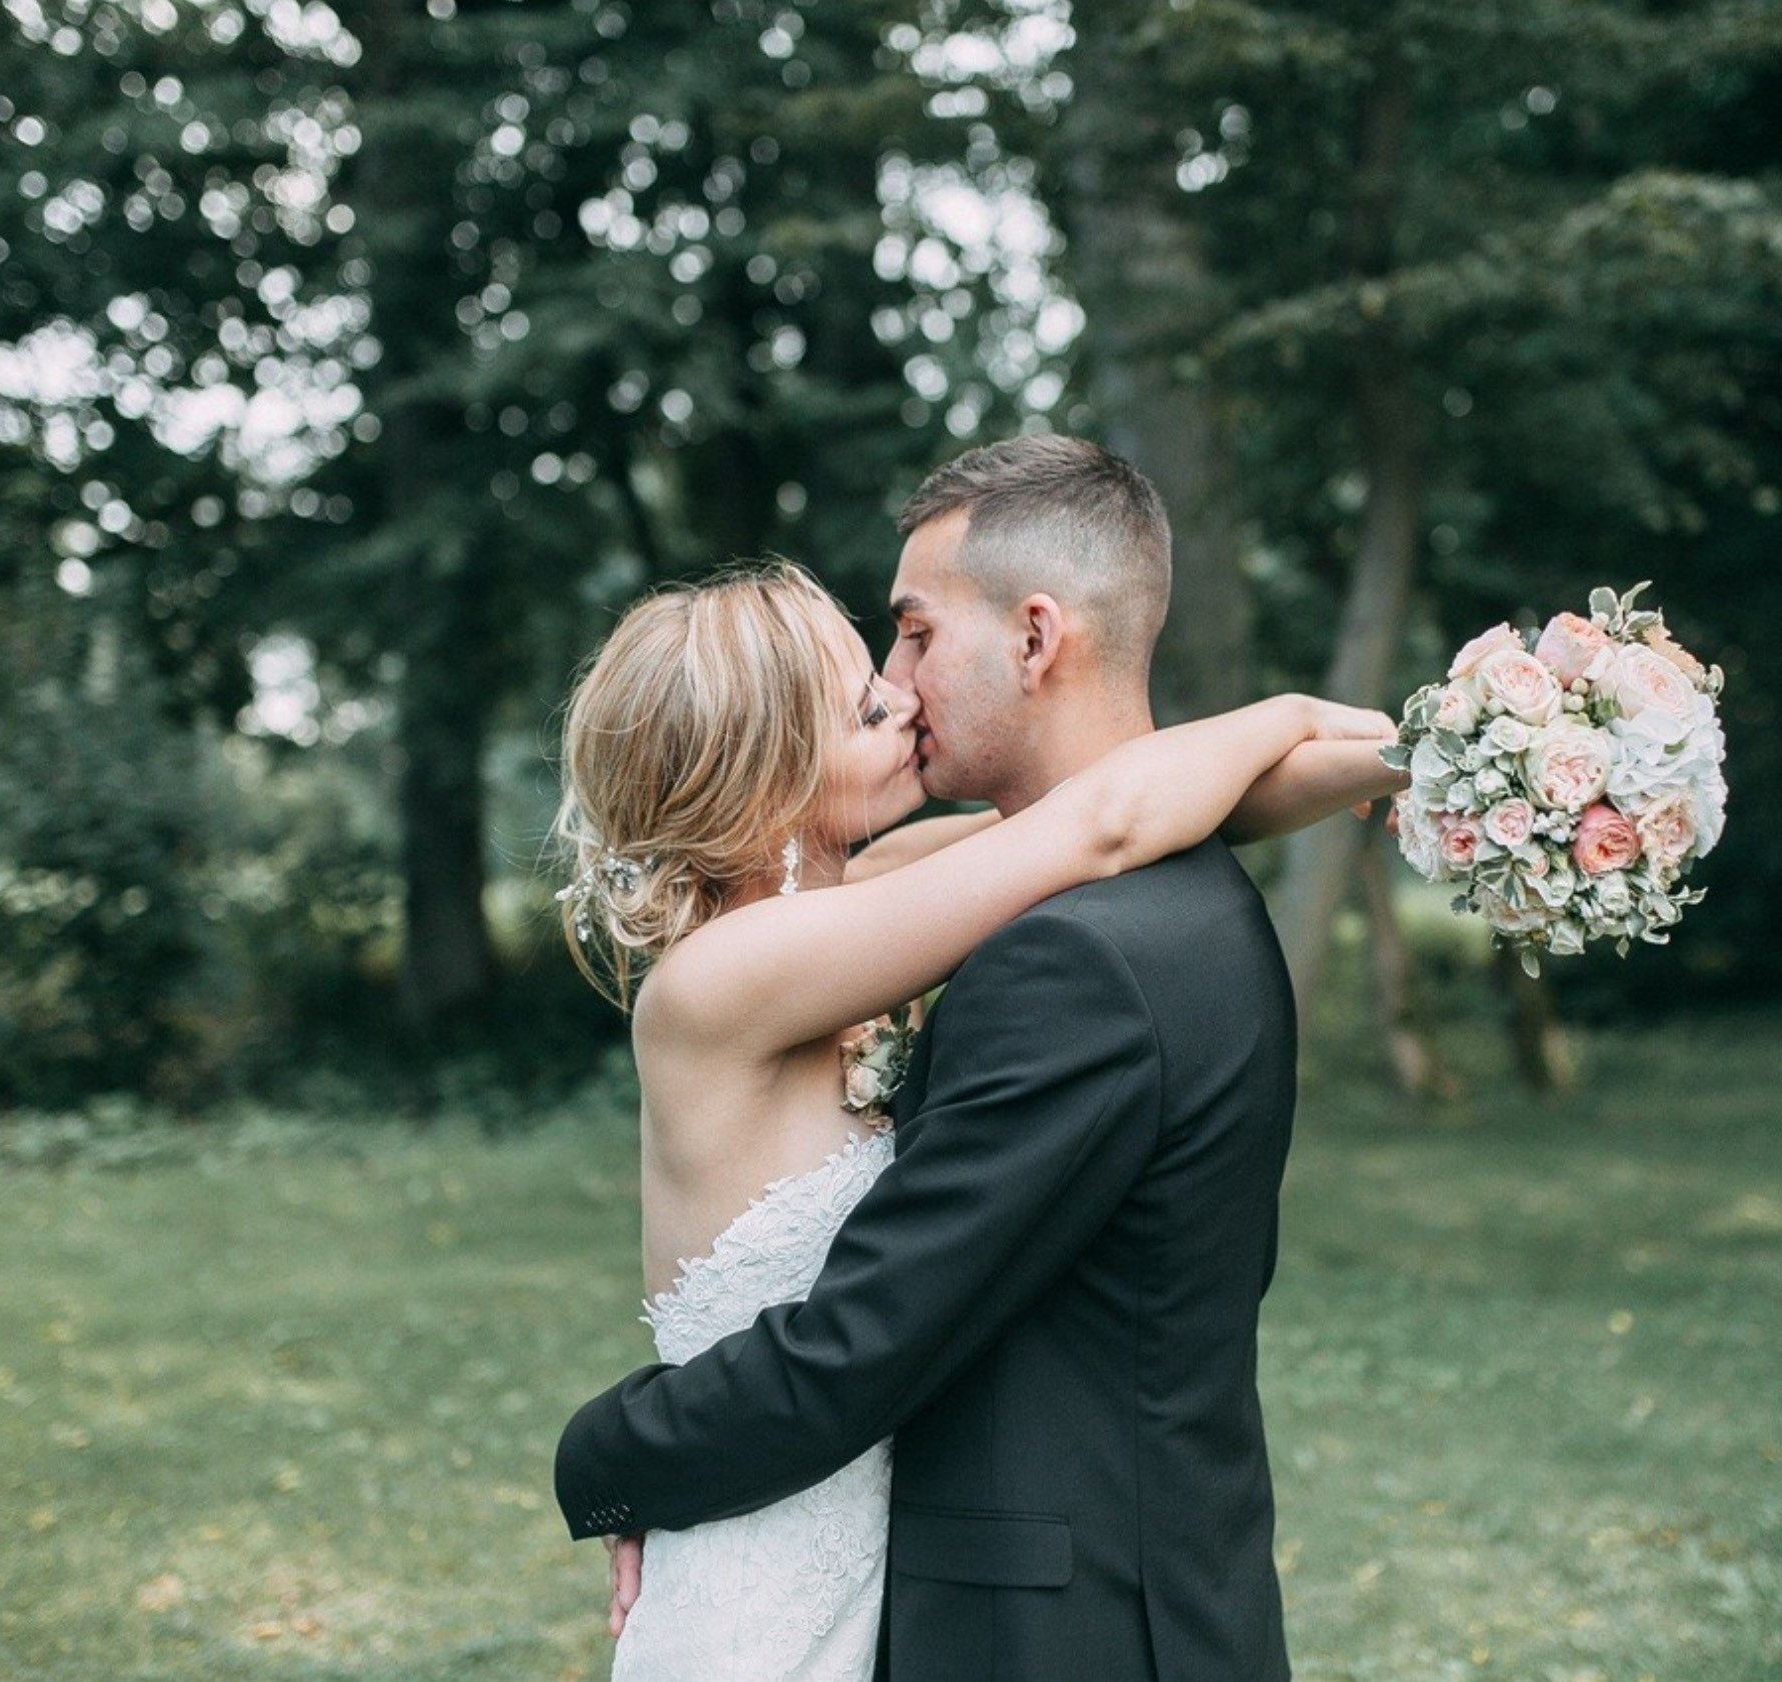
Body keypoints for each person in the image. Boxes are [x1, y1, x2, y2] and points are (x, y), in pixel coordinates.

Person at [552, 437, 1404, 1681]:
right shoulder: (730, 977)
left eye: (902, 644)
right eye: (860, 700)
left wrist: (1406, 759)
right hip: (765, 1553)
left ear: (1037, 634)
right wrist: (1292, 711)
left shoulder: (870, 890)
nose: (897, 693)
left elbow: (1138, 811)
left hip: (834, 1519)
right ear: (767, 768)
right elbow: (1101, 822)